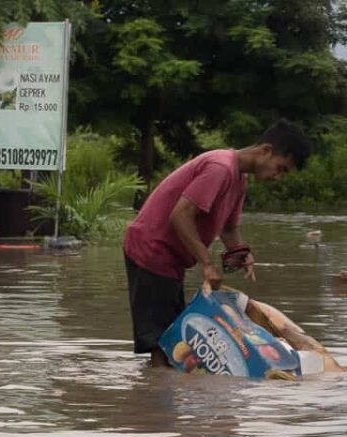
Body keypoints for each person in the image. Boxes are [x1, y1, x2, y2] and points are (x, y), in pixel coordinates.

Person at [123, 120, 311, 366]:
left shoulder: (239, 179)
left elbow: (229, 227)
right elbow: (180, 215)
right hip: (151, 250)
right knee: (163, 344)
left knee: (173, 339)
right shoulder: (220, 167)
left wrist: (240, 251)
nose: (278, 177)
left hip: (169, 258)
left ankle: (161, 394)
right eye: (281, 168)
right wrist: (207, 264)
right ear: (265, 150)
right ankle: (154, 397)